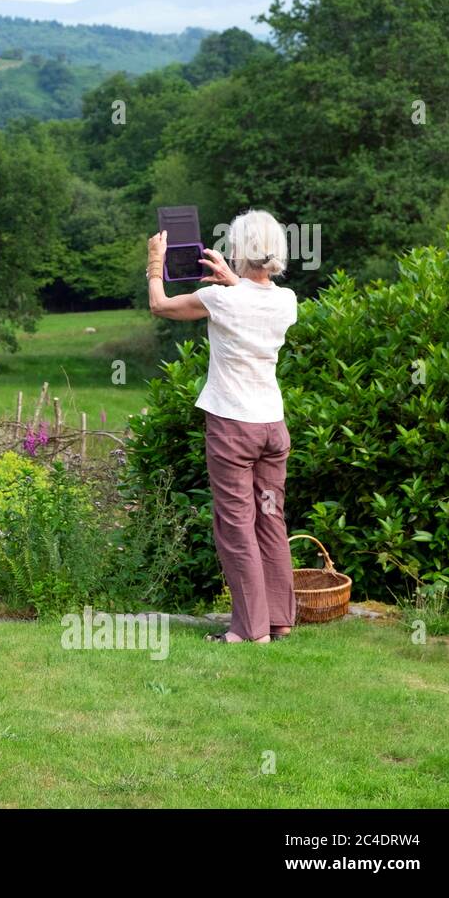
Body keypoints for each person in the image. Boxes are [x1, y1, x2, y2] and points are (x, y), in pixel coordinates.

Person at [145, 210, 298, 644]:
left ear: (236, 249)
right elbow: (255, 302)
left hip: (234, 429)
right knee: (270, 519)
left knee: (236, 525)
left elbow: (160, 305)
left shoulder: (221, 301)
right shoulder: (287, 302)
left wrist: (155, 261)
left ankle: (249, 631)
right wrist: (235, 280)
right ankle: (279, 620)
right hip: (273, 428)